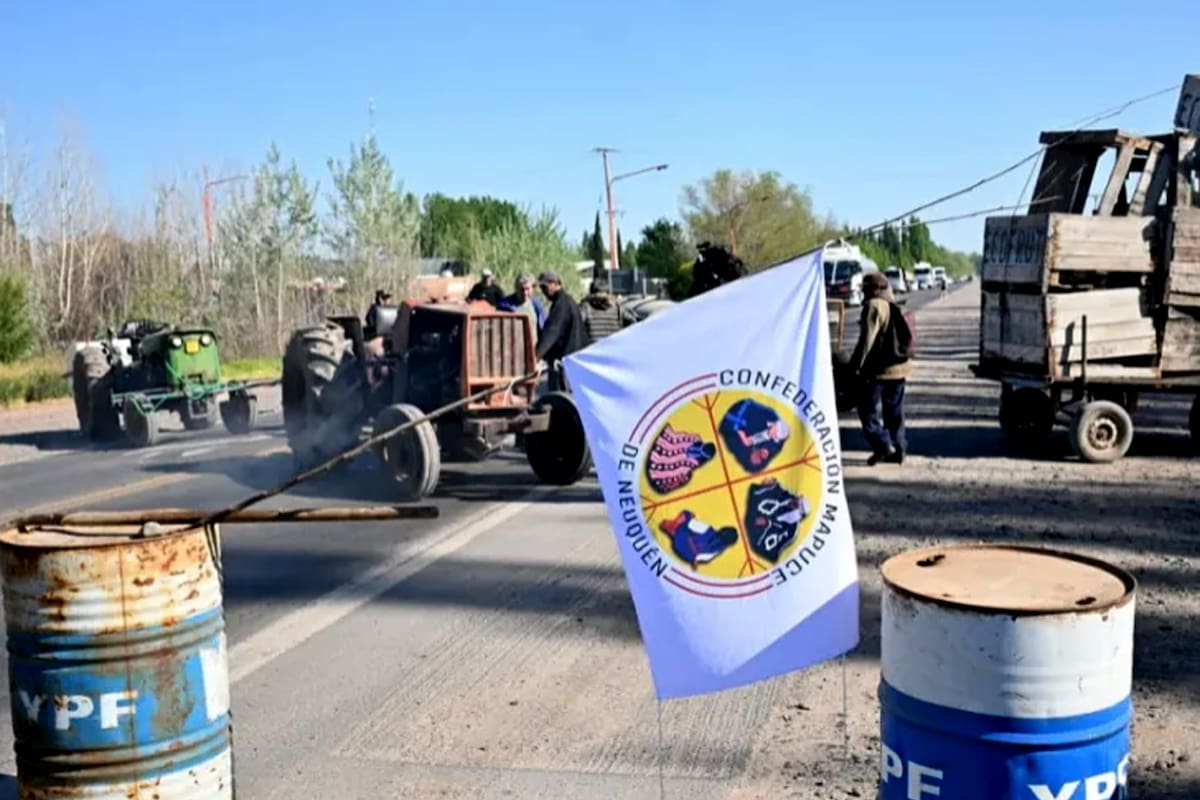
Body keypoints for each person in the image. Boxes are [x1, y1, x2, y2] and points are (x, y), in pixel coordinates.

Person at [849, 271, 913, 466]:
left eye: (865, 287)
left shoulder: (873, 305)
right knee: (894, 411)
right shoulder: (893, 306)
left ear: (873, 289)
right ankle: (899, 447)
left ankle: (882, 445)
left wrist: (855, 366)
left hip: (880, 370)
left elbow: (867, 340)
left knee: (867, 410)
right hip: (900, 367)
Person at [535, 270, 585, 391]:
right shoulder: (568, 301)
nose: (543, 291)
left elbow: (552, 332)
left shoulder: (561, 304)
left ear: (555, 284)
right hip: (574, 358)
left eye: (544, 287)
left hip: (564, 361)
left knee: (561, 399)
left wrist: (536, 355)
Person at [498, 274, 546, 343]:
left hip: (533, 348)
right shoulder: (505, 306)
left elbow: (545, 326)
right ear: (516, 289)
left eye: (527, 289)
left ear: (532, 288)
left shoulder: (537, 305)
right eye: (522, 289)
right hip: (513, 348)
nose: (525, 293)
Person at [579, 279, 626, 344]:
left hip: (592, 348)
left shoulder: (585, 307)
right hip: (613, 347)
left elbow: (576, 324)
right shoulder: (617, 307)